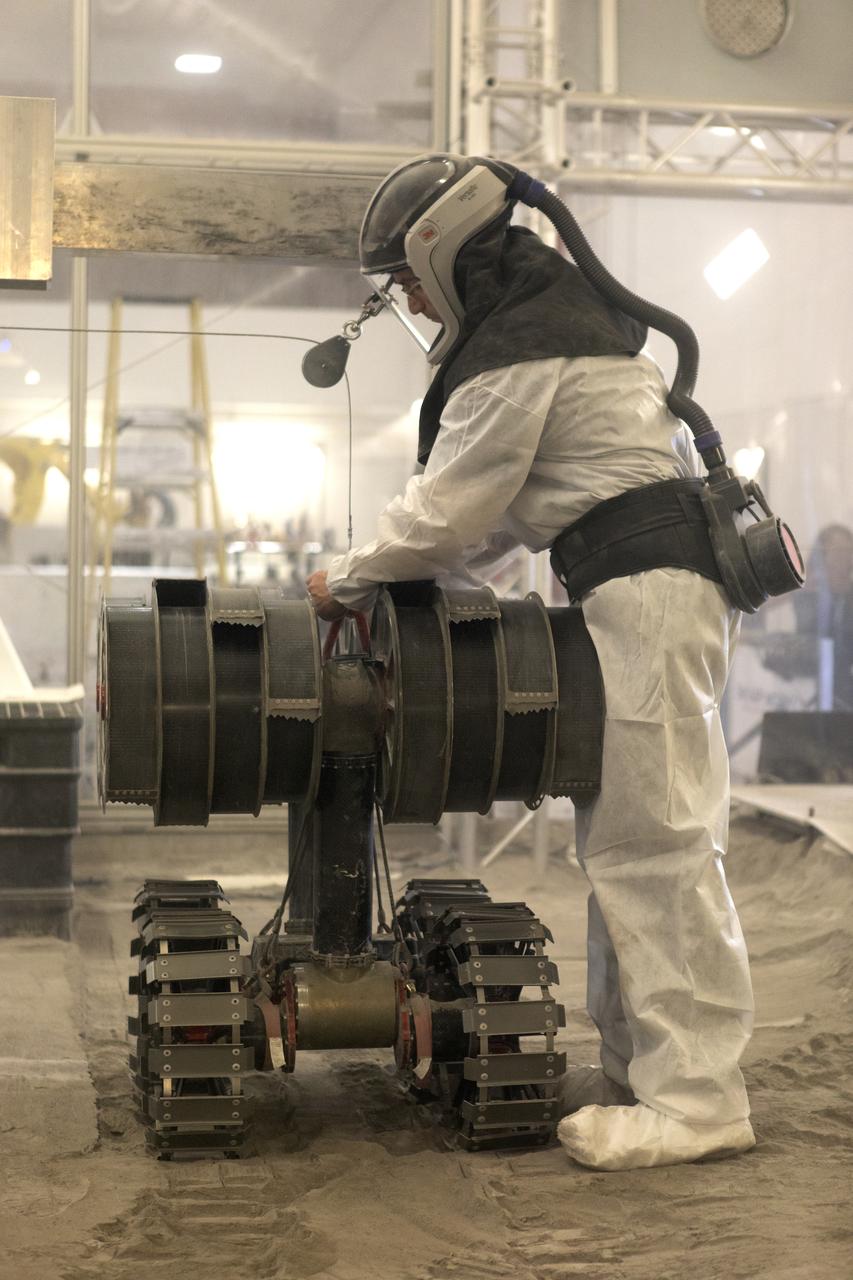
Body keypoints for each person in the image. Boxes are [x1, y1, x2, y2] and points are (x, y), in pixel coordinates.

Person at [306, 153, 755, 1171]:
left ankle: (696, 1100)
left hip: (645, 592)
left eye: (410, 281)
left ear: (442, 249)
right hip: (636, 590)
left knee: (657, 850)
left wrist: (348, 573)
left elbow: (452, 508)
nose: (414, 301)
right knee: (636, 849)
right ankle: (652, 1080)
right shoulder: (549, 324)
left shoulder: (520, 347)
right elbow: (503, 516)